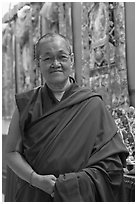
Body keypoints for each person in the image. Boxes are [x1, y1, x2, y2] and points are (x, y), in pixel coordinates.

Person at [5, 33, 128, 202]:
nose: (56, 64)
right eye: (47, 58)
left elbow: (112, 164)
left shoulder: (92, 103)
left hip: (81, 197)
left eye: (62, 57)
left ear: (72, 60)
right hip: (36, 194)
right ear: (38, 64)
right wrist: (36, 179)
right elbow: (11, 152)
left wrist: (73, 184)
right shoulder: (26, 104)